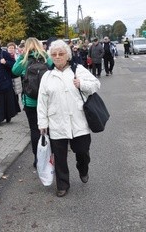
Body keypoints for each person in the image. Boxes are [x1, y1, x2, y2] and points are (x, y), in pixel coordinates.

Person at [37, 40, 100, 197]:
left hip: (78, 121)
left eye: (61, 53)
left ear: (68, 55)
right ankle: (62, 184)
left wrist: (82, 83)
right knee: (59, 156)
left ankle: (83, 168)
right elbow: (42, 101)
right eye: (54, 54)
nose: (57, 57)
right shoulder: (47, 76)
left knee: (82, 151)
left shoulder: (77, 69)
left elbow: (96, 84)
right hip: (56, 122)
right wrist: (42, 122)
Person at [11, 37, 53, 168]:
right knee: (49, 129)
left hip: (30, 101)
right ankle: (51, 155)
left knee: (35, 129)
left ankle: (37, 157)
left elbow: (14, 71)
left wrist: (21, 56)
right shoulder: (46, 57)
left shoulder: (25, 59)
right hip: (47, 101)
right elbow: (53, 68)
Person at [7, 42, 22, 113]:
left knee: (17, 92)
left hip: (16, 76)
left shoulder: (17, 56)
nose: (11, 49)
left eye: (12, 48)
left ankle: (17, 106)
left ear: (14, 49)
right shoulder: (6, 56)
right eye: (9, 48)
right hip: (9, 76)